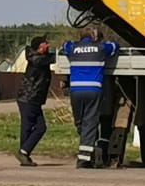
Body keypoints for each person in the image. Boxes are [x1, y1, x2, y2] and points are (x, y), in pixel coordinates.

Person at [63, 27, 118, 168]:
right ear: (94, 37)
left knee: (80, 122)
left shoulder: (73, 47)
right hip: (93, 90)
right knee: (90, 122)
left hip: (76, 90)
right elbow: (114, 47)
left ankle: (87, 146)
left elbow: (65, 45)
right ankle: (84, 159)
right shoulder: (100, 48)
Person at [15, 34, 54, 166]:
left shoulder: (38, 58)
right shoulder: (36, 59)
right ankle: (23, 153)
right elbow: (46, 60)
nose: (48, 45)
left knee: (35, 127)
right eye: (45, 44)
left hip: (32, 99)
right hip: (29, 98)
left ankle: (24, 153)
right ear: (40, 47)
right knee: (36, 127)